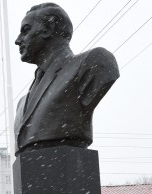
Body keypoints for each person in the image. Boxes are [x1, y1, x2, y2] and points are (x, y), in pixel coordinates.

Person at [14, 3, 120, 154]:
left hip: (67, 162)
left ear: (48, 29)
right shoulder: (21, 104)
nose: (18, 40)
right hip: (32, 166)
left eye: (26, 30)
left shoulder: (93, 62)